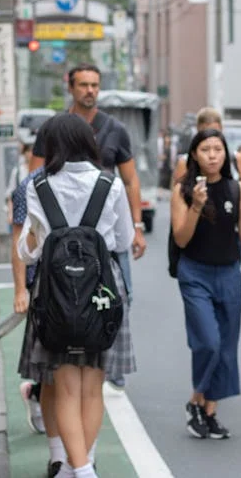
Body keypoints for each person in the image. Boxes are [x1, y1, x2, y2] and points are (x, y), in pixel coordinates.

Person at [18, 113, 134, 478]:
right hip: (101, 291)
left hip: (56, 296)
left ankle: (78, 470)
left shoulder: (38, 186)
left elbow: (29, 251)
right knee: (92, 387)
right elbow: (124, 241)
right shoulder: (110, 185)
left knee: (65, 388)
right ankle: (83, 465)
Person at [171, 129, 241, 439]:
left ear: (225, 154)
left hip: (229, 274)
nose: (212, 155)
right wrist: (197, 205)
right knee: (208, 341)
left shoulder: (236, 189)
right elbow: (181, 238)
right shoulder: (183, 191)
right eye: (205, 149)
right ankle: (195, 400)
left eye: (218, 149)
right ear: (194, 155)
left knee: (226, 348)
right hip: (195, 274)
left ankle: (208, 411)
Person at [66, 62, 144, 391]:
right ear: (71, 87)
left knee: (120, 296)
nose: (90, 91)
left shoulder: (114, 129)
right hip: (67, 234)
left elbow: (130, 180)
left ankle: (113, 362)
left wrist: (137, 225)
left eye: (95, 85)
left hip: (110, 231)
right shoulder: (58, 128)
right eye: (83, 84)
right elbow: (34, 177)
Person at [12, 120, 65, 477]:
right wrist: (20, 290)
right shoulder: (29, 187)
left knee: (68, 374)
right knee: (52, 372)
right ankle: (65, 459)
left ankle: (69, 459)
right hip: (41, 286)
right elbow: (19, 243)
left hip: (78, 289)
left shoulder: (92, 181)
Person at [171, 107, 241, 190]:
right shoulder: (185, 162)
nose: (210, 137)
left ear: (221, 129)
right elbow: (177, 197)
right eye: (205, 133)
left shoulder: (236, 159)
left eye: (215, 132)